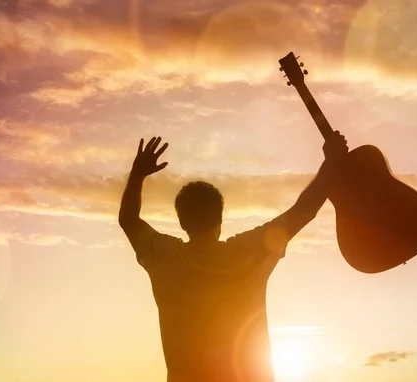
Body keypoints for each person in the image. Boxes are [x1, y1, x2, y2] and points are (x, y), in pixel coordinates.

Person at [118, 131, 348, 382]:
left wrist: (138, 174)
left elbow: (128, 220)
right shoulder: (249, 252)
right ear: (220, 221)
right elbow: (303, 210)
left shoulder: (164, 257)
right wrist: (331, 163)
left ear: (182, 221)